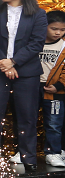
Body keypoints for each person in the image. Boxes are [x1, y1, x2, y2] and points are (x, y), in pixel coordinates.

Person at [0, 0, 47, 173]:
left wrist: (14, 62)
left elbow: (37, 43)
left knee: (27, 115)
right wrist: (5, 64)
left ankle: (28, 156)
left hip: (26, 72)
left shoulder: (38, 14)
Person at [38, 11, 65, 168]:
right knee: (26, 120)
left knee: (54, 123)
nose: (58, 32)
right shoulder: (36, 42)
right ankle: (22, 151)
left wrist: (58, 86)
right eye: (54, 28)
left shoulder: (63, 46)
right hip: (33, 87)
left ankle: (53, 153)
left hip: (56, 91)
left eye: (62, 30)